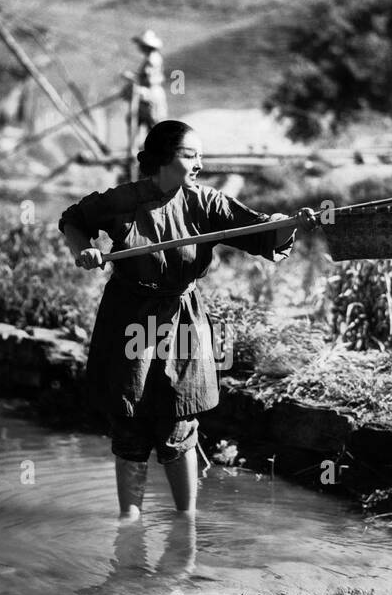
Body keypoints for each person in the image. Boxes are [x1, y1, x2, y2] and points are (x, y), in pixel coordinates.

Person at [59, 120, 299, 520]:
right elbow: (73, 219)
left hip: (181, 318)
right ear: (164, 159)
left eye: (201, 156)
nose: (200, 163)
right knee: (129, 421)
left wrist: (290, 224)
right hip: (128, 317)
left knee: (178, 419)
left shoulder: (206, 203)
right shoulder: (123, 200)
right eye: (192, 156)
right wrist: (84, 250)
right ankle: (129, 525)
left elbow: (260, 231)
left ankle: (186, 522)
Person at [122, 30, 167, 165]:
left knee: (151, 124)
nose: (139, 47)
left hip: (150, 96)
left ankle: (154, 153)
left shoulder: (153, 59)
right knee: (134, 121)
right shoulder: (150, 58)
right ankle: (137, 149)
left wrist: (131, 78)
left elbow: (149, 80)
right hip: (147, 96)